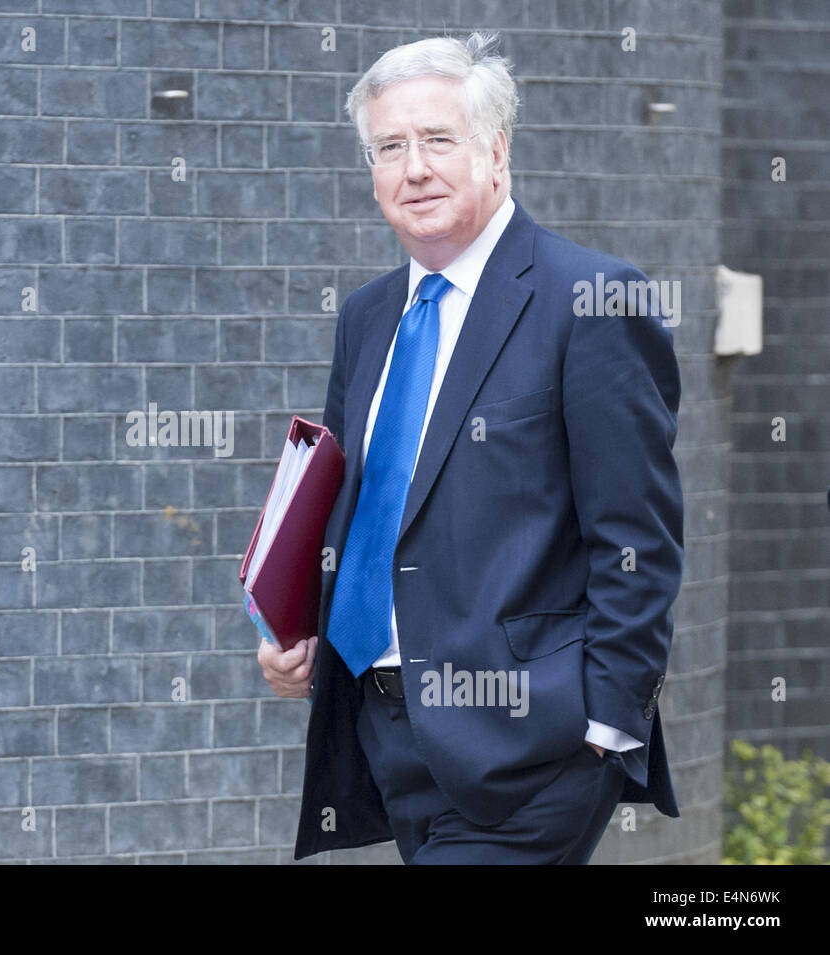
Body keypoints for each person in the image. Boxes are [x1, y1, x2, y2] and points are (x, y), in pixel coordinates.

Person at [257, 32, 684, 864]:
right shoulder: (368, 316)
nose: (412, 168)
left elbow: (638, 538)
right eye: (389, 147)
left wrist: (603, 726)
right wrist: (297, 625)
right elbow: (357, 505)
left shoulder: (591, 300)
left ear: (496, 150)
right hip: (385, 736)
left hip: (531, 754)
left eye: (436, 140)